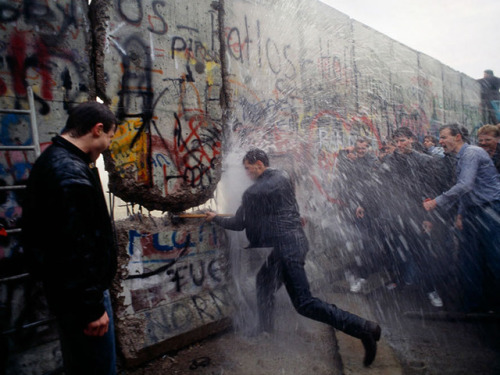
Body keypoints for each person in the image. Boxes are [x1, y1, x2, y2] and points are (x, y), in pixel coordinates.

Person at [206, 148, 381, 367]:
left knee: (305, 303)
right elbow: (247, 216)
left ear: (259, 164)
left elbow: (239, 222)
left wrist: (224, 213)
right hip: (288, 246)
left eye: (248, 169)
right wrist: (216, 217)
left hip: (289, 249)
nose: (247, 174)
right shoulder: (281, 177)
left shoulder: (263, 187)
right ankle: (265, 328)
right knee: (264, 281)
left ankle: (365, 327)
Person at [22, 102, 118, 375]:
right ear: (98, 130)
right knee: (97, 369)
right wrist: (91, 307)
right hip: (82, 301)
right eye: (110, 137)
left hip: (69, 294)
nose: (108, 145)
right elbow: (76, 246)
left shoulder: (56, 161)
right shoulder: (69, 172)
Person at [423, 123, 500, 313]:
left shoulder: (472, 153)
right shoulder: (460, 157)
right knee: (469, 259)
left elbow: (465, 185)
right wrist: (460, 214)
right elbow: (468, 191)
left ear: (457, 137)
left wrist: (437, 202)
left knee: (493, 258)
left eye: (443, 137)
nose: (440, 142)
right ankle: (472, 306)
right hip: (473, 211)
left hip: (490, 210)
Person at [377, 127, 443, 307]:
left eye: (402, 141)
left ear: (411, 140)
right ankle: (400, 281)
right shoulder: (390, 160)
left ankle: (431, 289)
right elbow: (384, 187)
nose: (399, 145)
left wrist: (428, 217)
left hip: (417, 213)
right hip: (396, 213)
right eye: (396, 142)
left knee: (422, 252)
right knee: (398, 250)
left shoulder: (423, 160)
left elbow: (430, 189)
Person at [335, 138, 381, 293]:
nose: (361, 151)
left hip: (367, 208)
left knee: (365, 242)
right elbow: (342, 169)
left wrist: (363, 204)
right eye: (358, 148)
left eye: (364, 148)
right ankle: (360, 271)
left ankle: (363, 275)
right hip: (353, 206)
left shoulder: (371, 161)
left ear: (368, 148)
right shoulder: (353, 160)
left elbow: (370, 185)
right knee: (357, 241)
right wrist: (344, 153)